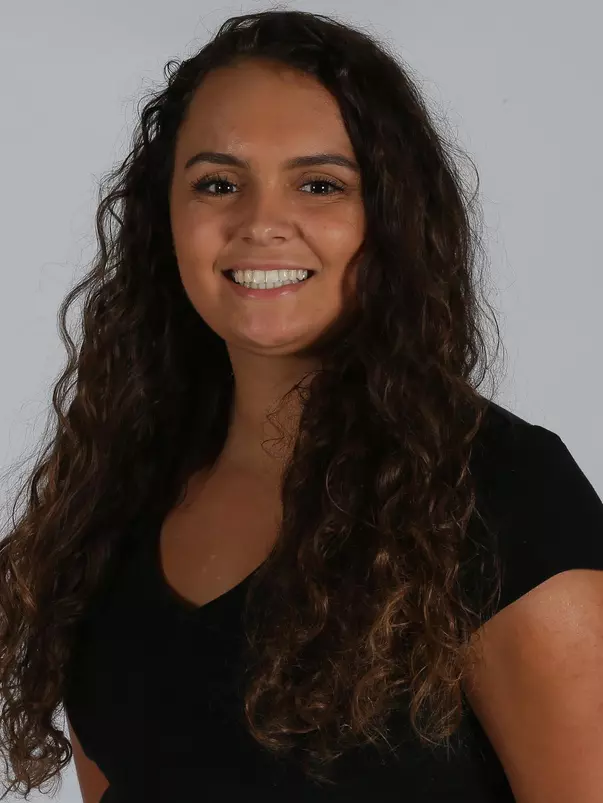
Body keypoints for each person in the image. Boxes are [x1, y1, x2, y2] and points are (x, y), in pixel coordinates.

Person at [0, 8, 602, 803]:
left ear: (389, 220)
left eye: (320, 184)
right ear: (163, 220)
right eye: (218, 183)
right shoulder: (112, 504)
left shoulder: (500, 496)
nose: (260, 223)